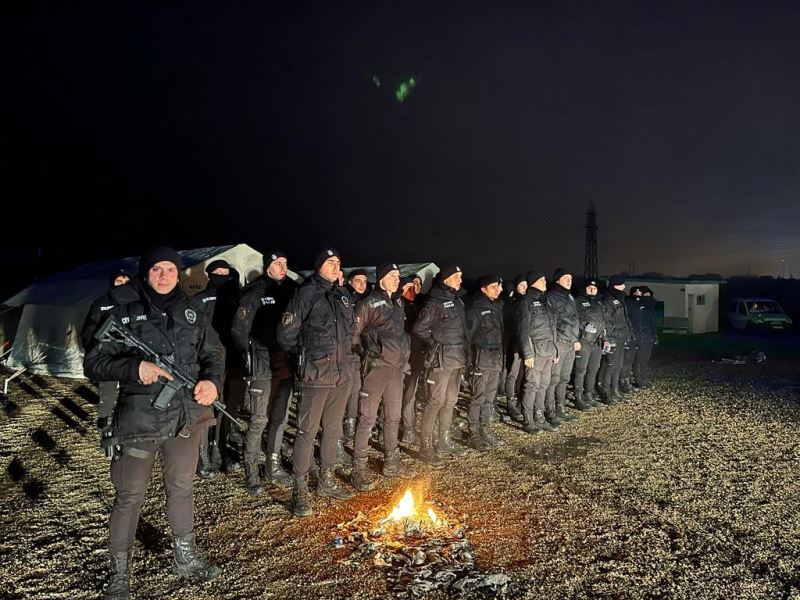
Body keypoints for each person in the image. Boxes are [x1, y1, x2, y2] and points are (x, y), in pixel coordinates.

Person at [83, 247, 224, 599]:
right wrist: (134, 368)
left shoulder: (194, 310)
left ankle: (185, 557)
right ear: (146, 274)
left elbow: (214, 353)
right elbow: (94, 363)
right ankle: (119, 575)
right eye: (157, 270)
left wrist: (213, 381)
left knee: (182, 487)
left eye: (171, 270)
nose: (164, 276)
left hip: (185, 417)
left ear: (180, 274)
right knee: (130, 494)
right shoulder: (119, 309)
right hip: (140, 418)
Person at [277, 248, 356, 517]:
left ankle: (326, 481)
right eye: (331, 262)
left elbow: (350, 331)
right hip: (315, 375)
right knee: (306, 432)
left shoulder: (342, 295)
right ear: (319, 266)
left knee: (332, 430)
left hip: (341, 375)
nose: (337, 267)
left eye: (339, 263)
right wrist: (307, 356)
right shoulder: (305, 294)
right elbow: (285, 335)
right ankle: (299, 491)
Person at [231, 250, 298, 495]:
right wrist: (249, 354)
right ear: (267, 266)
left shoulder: (292, 289)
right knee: (259, 419)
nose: (282, 267)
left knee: (279, 419)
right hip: (261, 362)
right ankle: (251, 471)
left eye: (285, 263)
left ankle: (273, 465)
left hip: (285, 364)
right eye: (277, 263)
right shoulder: (255, 291)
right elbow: (239, 331)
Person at [349, 263, 414, 491]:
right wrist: (367, 355)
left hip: (396, 369)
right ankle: (358, 469)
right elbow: (353, 336)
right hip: (376, 368)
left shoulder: (397, 303)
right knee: (366, 418)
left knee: (393, 417)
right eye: (392, 276)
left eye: (398, 276)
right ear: (381, 279)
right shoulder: (367, 303)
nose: (397, 280)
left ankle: (391, 461)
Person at [412, 264, 468, 465]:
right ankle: (425, 447)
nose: (460, 280)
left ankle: (443, 441)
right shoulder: (434, 302)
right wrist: (435, 343)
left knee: (450, 401)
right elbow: (419, 328)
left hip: (457, 359)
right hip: (441, 361)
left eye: (460, 276)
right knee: (435, 402)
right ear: (445, 279)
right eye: (456, 277)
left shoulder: (457, 301)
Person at [192, 259, 240, 479]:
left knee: (227, 409)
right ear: (209, 275)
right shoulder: (198, 300)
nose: (222, 276)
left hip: (232, 361)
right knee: (206, 411)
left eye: (225, 272)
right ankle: (202, 457)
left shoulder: (235, 298)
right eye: (218, 272)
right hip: (208, 364)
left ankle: (219, 452)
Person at [465, 275, 506, 450]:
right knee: (478, 397)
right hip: (480, 359)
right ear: (483, 289)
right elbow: (467, 337)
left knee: (489, 398)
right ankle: (473, 433)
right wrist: (468, 363)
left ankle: (485, 430)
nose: (499, 290)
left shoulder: (496, 307)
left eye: (499, 286)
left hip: (495, 358)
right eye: (494, 287)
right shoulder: (475, 309)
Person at [517, 270, 559, 432]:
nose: (545, 281)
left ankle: (540, 416)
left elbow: (552, 329)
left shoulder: (545, 301)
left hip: (548, 351)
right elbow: (523, 330)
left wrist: (555, 350)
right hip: (535, 352)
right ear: (533, 282)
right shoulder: (526, 302)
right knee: (532, 385)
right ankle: (528, 420)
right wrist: (527, 353)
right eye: (541, 279)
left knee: (544, 385)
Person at [545, 268, 583, 419]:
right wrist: (554, 344)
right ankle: (550, 411)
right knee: (554, 378)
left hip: (570, 342)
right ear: (557, 280)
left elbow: (574, 320)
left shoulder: (570, 297)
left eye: (570, 278)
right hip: (559, 342)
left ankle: (560, 408)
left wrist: (575, 339)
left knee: (564, 378)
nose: (569, 280)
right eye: (565, 278)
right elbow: (552, 322)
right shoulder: (552, 297)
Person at [573, 279, 607, 408]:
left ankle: (589, 394)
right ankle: (579, 397)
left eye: (594, 288)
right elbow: (574, 320)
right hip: (584, 341)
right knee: (581, 369)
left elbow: (604, 321)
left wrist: (605, 337)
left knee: (593, 369)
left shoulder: (599, 303)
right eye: (589, 288)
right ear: (584, 289)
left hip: (597, 342)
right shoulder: (578, 301)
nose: (592, 290)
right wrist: (581, 333)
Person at [600, 274, 632, 403]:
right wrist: (607, 338)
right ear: (615, 285)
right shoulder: (608, 299)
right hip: (613, 336)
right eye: (622, 284)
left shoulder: (621, 298)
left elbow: (625, 319)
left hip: (621, 335)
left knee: (618, 365)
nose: (624, 286)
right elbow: (606, 321)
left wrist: (628, 334)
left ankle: (615, 390)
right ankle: (606, 392)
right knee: (610, 365)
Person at [502, 275, 527, 421]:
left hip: (527, 345)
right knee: (513, 373)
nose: (525, 288)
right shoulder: (511, 303)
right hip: (514, 344)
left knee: (524, 375)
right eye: (521, 285)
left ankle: (520, 400)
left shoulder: (527, 302)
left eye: (526, 285)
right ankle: (510, 402)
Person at [634, 286, 657, 388]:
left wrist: (654, 335)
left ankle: (642, 379)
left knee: (644, 359)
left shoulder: (648, 306)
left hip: (648, 335)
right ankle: (639, 380)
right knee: (640, 359)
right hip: (642, 335)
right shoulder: (638, 306)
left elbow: (652, 322)